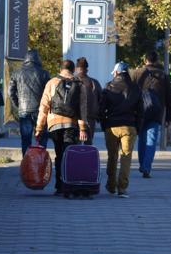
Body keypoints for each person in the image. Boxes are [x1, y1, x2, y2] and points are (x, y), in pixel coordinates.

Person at [35, 59, 89, 196]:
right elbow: (82, 108)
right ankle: (68, 185)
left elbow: (44, 106)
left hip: (54, 124)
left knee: (59, 155)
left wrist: (39, 128)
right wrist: (82, 127)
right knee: (69, 155)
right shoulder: (79, 84)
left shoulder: (52, 82)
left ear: (61, 69)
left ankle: (59, 186)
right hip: (71, 124)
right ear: (73, 69)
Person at [99, 61, 141, 197]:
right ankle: (122, 189)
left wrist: (104, 124)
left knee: (112, 156)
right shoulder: (135, 88)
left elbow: (101, 109)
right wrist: (137, 127)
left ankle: (111, 185)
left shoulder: (109, 86)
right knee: (126, 157)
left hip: (111, 126)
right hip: (129, 126)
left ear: (116, 73)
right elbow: (141, 111)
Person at [133, 52, 171, 178]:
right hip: (156, 112)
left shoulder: (137, 73)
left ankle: (141, 164)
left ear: (145, 60)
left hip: (140, 112)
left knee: (142, 139)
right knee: (151, 139)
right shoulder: (164, 76)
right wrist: (169, 118)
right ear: (156, 61)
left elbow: (130, 94)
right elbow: (170, 98)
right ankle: (146, 167)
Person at [10, 51, 51, 154]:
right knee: (41, 139)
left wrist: (18, 105)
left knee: (26, 140)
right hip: (40, 111)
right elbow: (49, 93)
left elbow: (10, 92)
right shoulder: (44, 73)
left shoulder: (16, 73)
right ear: (37, 59)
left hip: (24, 110)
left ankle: (26, 164)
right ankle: (40, 162)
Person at [75, 56, 102, 143]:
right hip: (90, 119)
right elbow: (101, 100)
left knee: (75, 146)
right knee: (88, 145)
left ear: (76, 69)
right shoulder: (94, 82)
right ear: (87, 69)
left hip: (74, 119)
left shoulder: (71, 81)